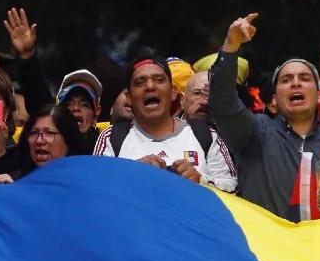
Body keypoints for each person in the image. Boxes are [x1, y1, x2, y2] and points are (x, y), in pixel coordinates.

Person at [211, 13, 320, 221]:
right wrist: (231, 46)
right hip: (268, 250)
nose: (296, 83)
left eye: (304, 78)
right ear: (274, 101)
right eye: (286, 80)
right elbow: (223, 106)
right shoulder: (255, 131)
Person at [95, 54, 237, 193]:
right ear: (129, 98)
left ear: (173, 93)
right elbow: (94, 188)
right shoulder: (111, 138)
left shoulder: (206, 135)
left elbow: (233, 190)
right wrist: (132, 174)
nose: (150, 86)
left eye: (159, 80)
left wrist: (200, 180)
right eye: (140, 82)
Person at [16, 105, 89, 177]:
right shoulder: (15, 181)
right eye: (33, 133)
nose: (39, 140)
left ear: (68, 139)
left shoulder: (85, 179)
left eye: (49, 133)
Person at [57, 69, 104, 147]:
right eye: (69, 104)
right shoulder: (47, 147)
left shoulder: (106, 148)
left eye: (84, 104)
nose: (76, 108)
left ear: (96, 112)